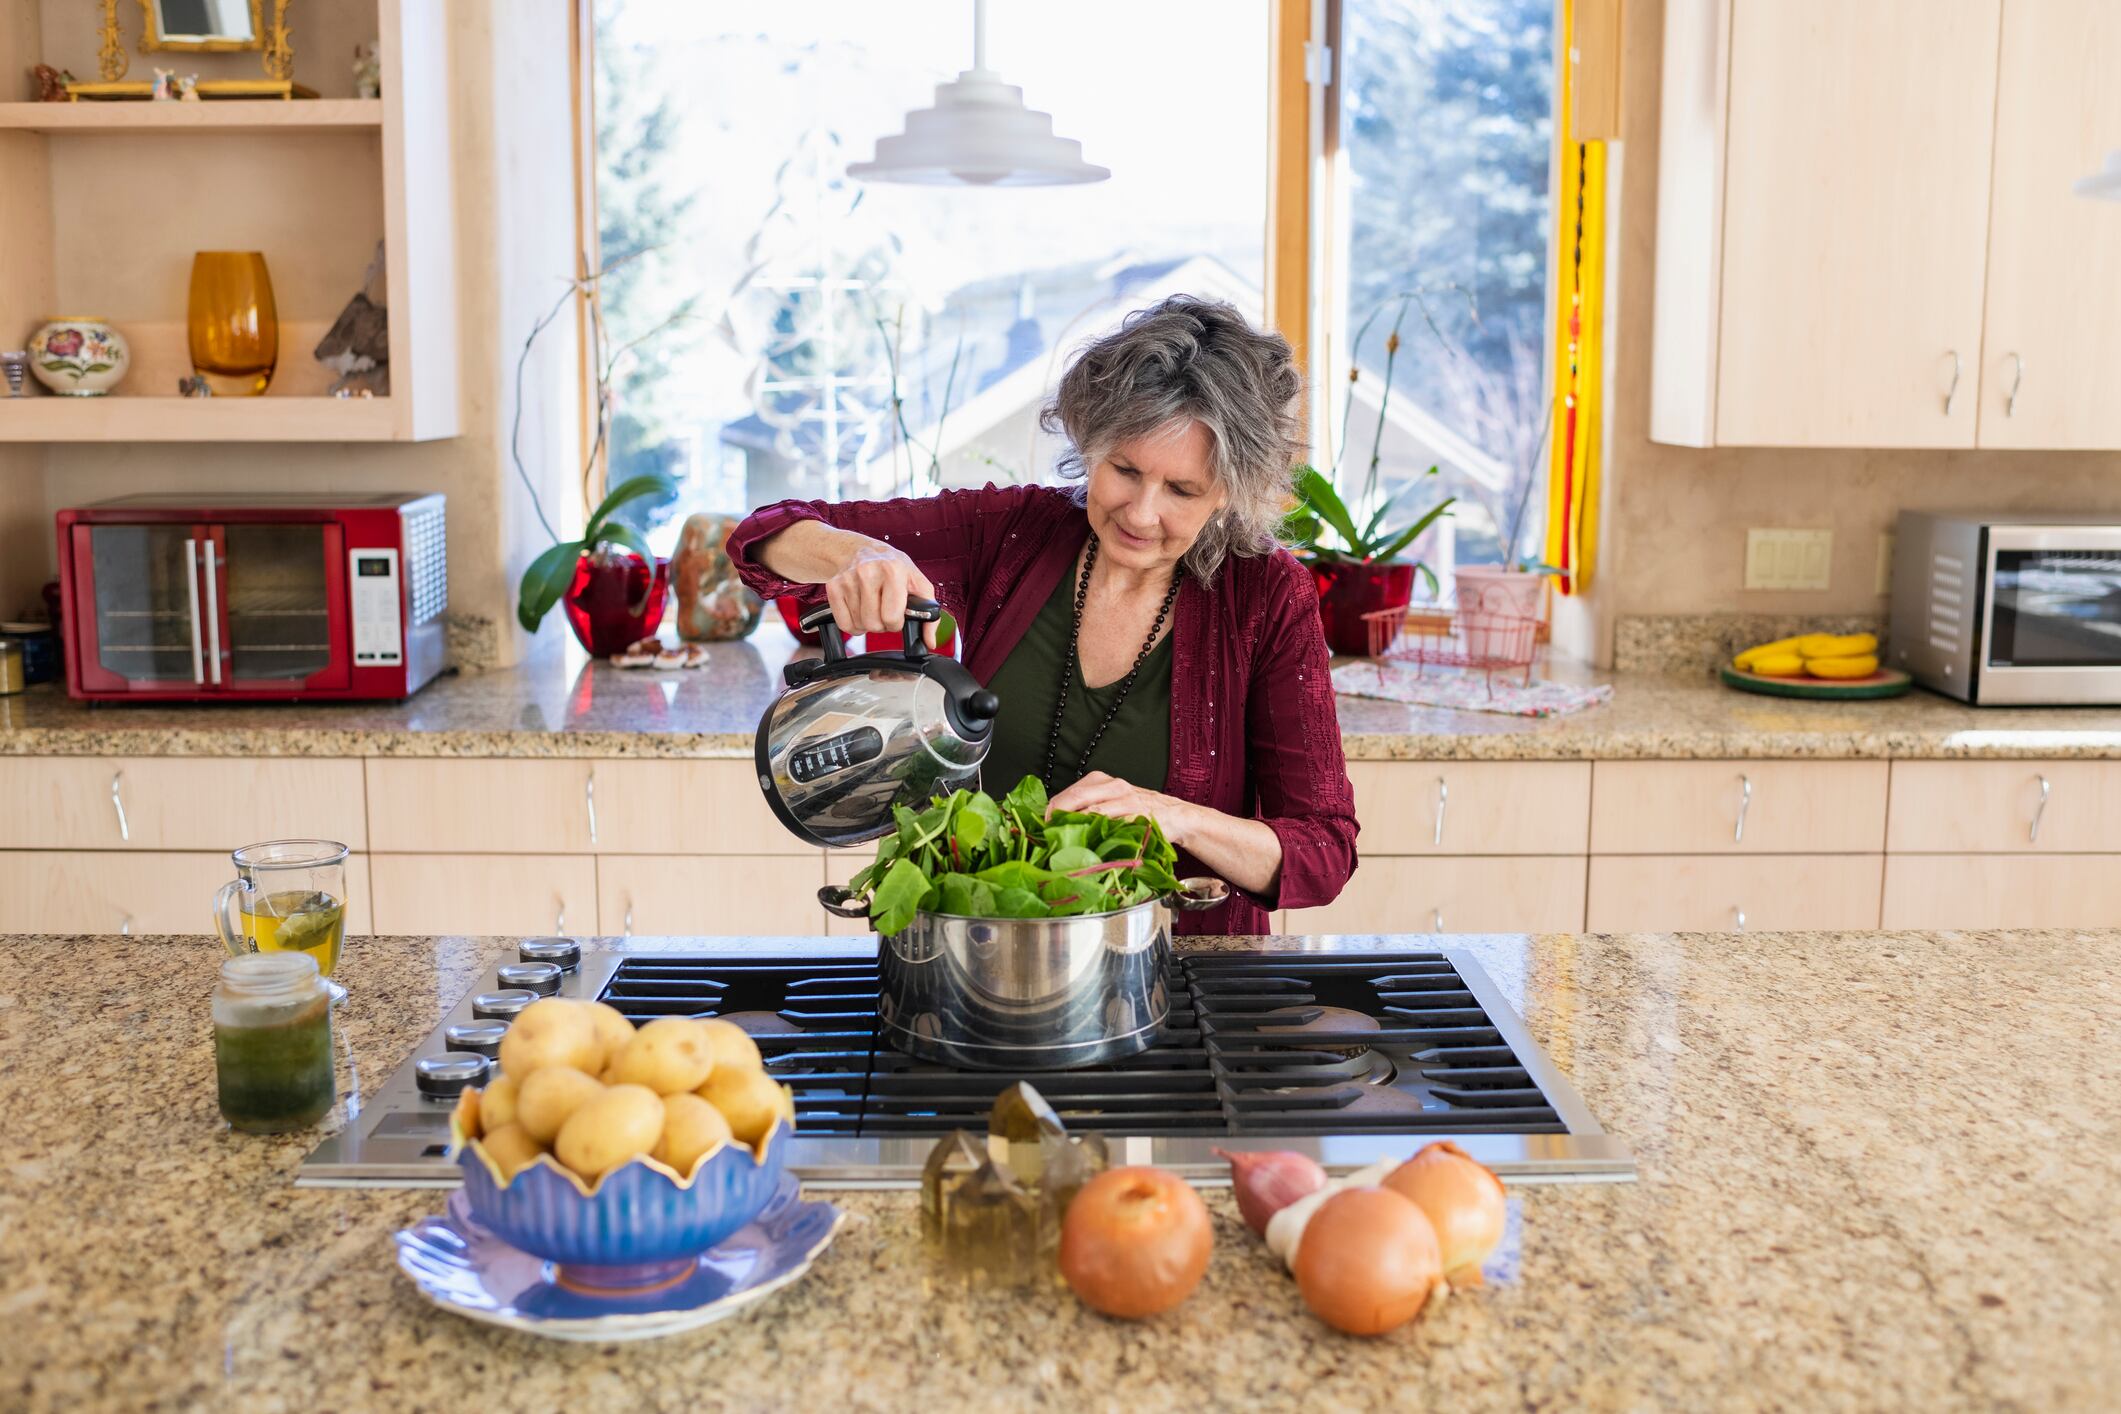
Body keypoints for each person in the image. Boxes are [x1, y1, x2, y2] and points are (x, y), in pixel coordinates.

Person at [730, 294, 1356, 934]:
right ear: (1091, 444)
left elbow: (1325, 850)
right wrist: (857, 554)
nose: (1141, 513)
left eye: (1181, 490)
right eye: (1125, 470)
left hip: (1177, 977)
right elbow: (762, 537)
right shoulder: (1011, 534)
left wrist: (1174, 816)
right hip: (977, 954)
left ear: (1229, 489)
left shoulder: (1267, 594)